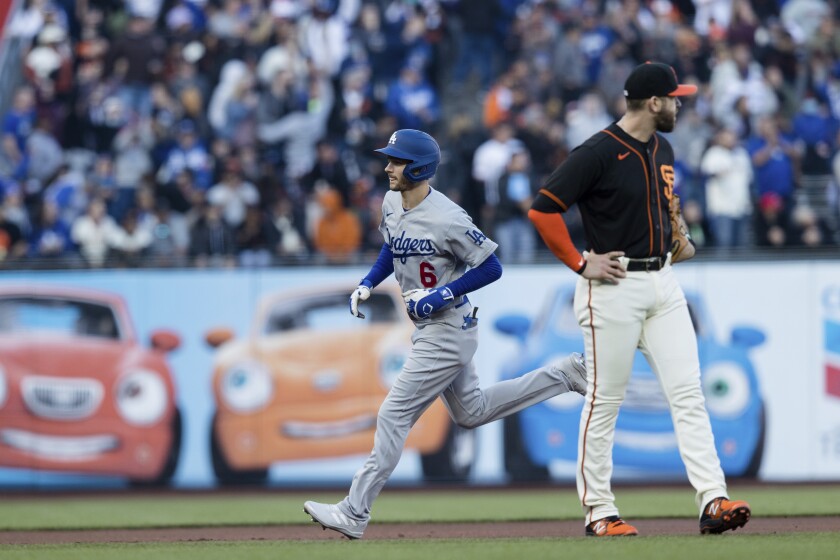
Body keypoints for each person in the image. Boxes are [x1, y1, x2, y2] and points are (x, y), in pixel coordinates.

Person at [303, 129, 588, 539]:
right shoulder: (390, 200)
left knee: (393, 414)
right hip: (434, 327)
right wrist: (368, 282)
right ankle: (564, 374)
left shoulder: (449, 217)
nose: (387, 166)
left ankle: (354, 510)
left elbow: (492, 266)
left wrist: (441, 294)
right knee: (470, 412)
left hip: (447, 327)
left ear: (419, 168)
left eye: (396, 160)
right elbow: (392, 247)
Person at [528, 62, 751, 537]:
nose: (679, 103)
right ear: (653, 103)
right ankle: (599, 511)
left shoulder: (662, 147)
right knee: (605, 400)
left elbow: (664, 209)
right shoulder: (597, 152)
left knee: (689, 393)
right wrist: (579, 262)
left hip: (663, 283)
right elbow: (543, 210)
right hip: (611, 286)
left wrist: (676, 233)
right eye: (674, 98)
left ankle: (713, 499)